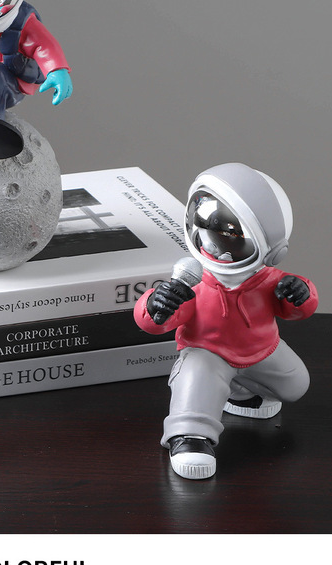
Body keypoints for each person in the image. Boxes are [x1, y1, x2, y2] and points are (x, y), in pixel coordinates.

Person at [134, 162, 318, 480]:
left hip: (262, 351)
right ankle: (190, 437)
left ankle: (242, 393)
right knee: (196, 375)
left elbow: (296, 310)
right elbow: (154, 322)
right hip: (207, 353)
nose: (216, 245)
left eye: (232, 235)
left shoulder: (269, 279)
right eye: (207, 227)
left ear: (270, 249)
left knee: (296, 384)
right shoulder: (193, 282)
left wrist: (299, 294)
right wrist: (156, 304)